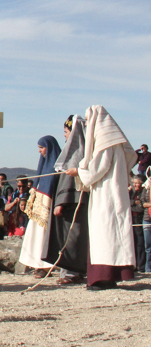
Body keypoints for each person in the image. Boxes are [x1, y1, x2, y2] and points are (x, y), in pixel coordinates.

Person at [65, 105, 137, 289]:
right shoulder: (115, 143)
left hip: (107, 195)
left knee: (105, 235)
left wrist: (79, 172)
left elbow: (98, 168)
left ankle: (103, 277)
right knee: (110, 233)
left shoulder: (106, 142)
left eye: (89, 122)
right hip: (111, 193)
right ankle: (110, 275)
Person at [44, 115, 89, 284]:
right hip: (78, 201)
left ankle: (71, 272)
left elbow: (69, 180)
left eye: (66, 132)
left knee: (70, 238)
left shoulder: (75, 153)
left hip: (72, 202)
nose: (64, 135)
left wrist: (61, 201)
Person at [18, 136, 61, 278]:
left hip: (50, 208)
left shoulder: (57, 165)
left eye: (41, 148)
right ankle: (36, 264)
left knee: (45, 237)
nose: (39, 151)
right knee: (35, 235)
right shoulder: (43, 167)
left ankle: (46, 266)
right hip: (38, 210)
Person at [130, 175, 146, 270]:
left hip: (140, 219)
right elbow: (128, 202)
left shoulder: (144, 192)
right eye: (134, 183)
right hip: (133, 220)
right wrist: (133, 203)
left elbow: (141, 207)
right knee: (134, 242)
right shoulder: (132, 192)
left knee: (141, 243)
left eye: (137, 183)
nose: (135, 185)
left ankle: (142, 265)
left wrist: (132, 206)